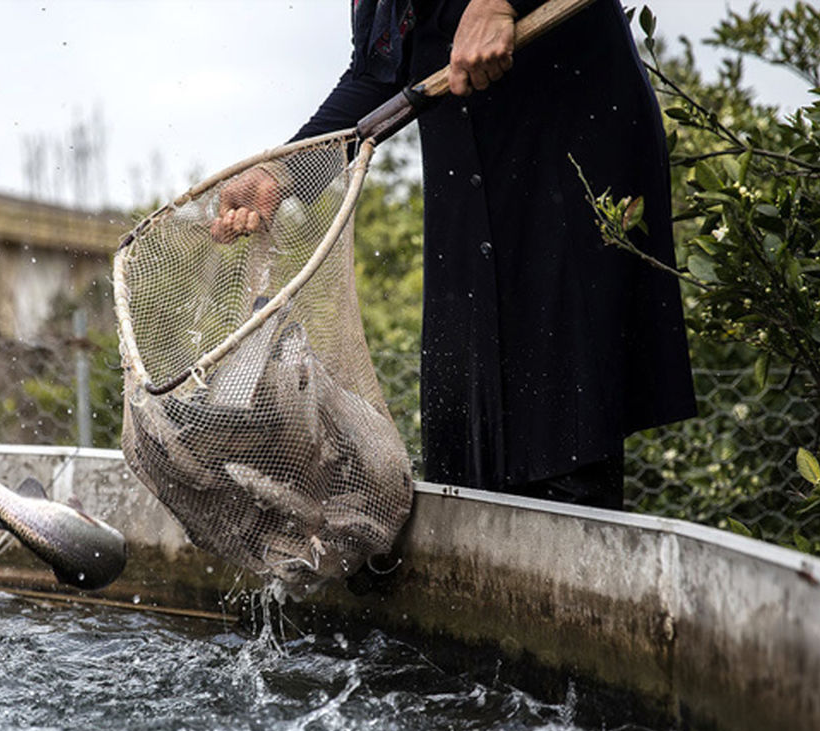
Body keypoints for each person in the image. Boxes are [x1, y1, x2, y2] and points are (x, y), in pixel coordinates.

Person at [212, 0, 696, 511]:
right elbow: (379, 72)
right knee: (465, 429)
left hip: (565, 152)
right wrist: (284, 170)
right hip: (466, 177)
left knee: (563, 416)